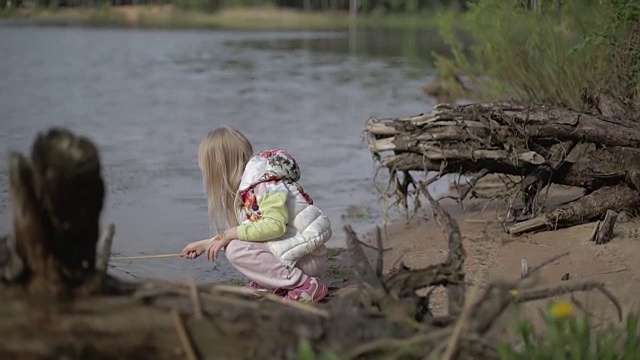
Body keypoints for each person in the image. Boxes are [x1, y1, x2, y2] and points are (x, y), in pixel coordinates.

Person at [181, 126, 333, 303]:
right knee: (236, 241)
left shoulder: (266, 186)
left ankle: (304, 285)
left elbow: (274, 226)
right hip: (294, 256)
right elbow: (251, 230)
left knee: (235, 249)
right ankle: (276, 283)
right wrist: (207, 244)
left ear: (219, 165)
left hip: (307, 260)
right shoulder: (249, 187)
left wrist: (228, 235)